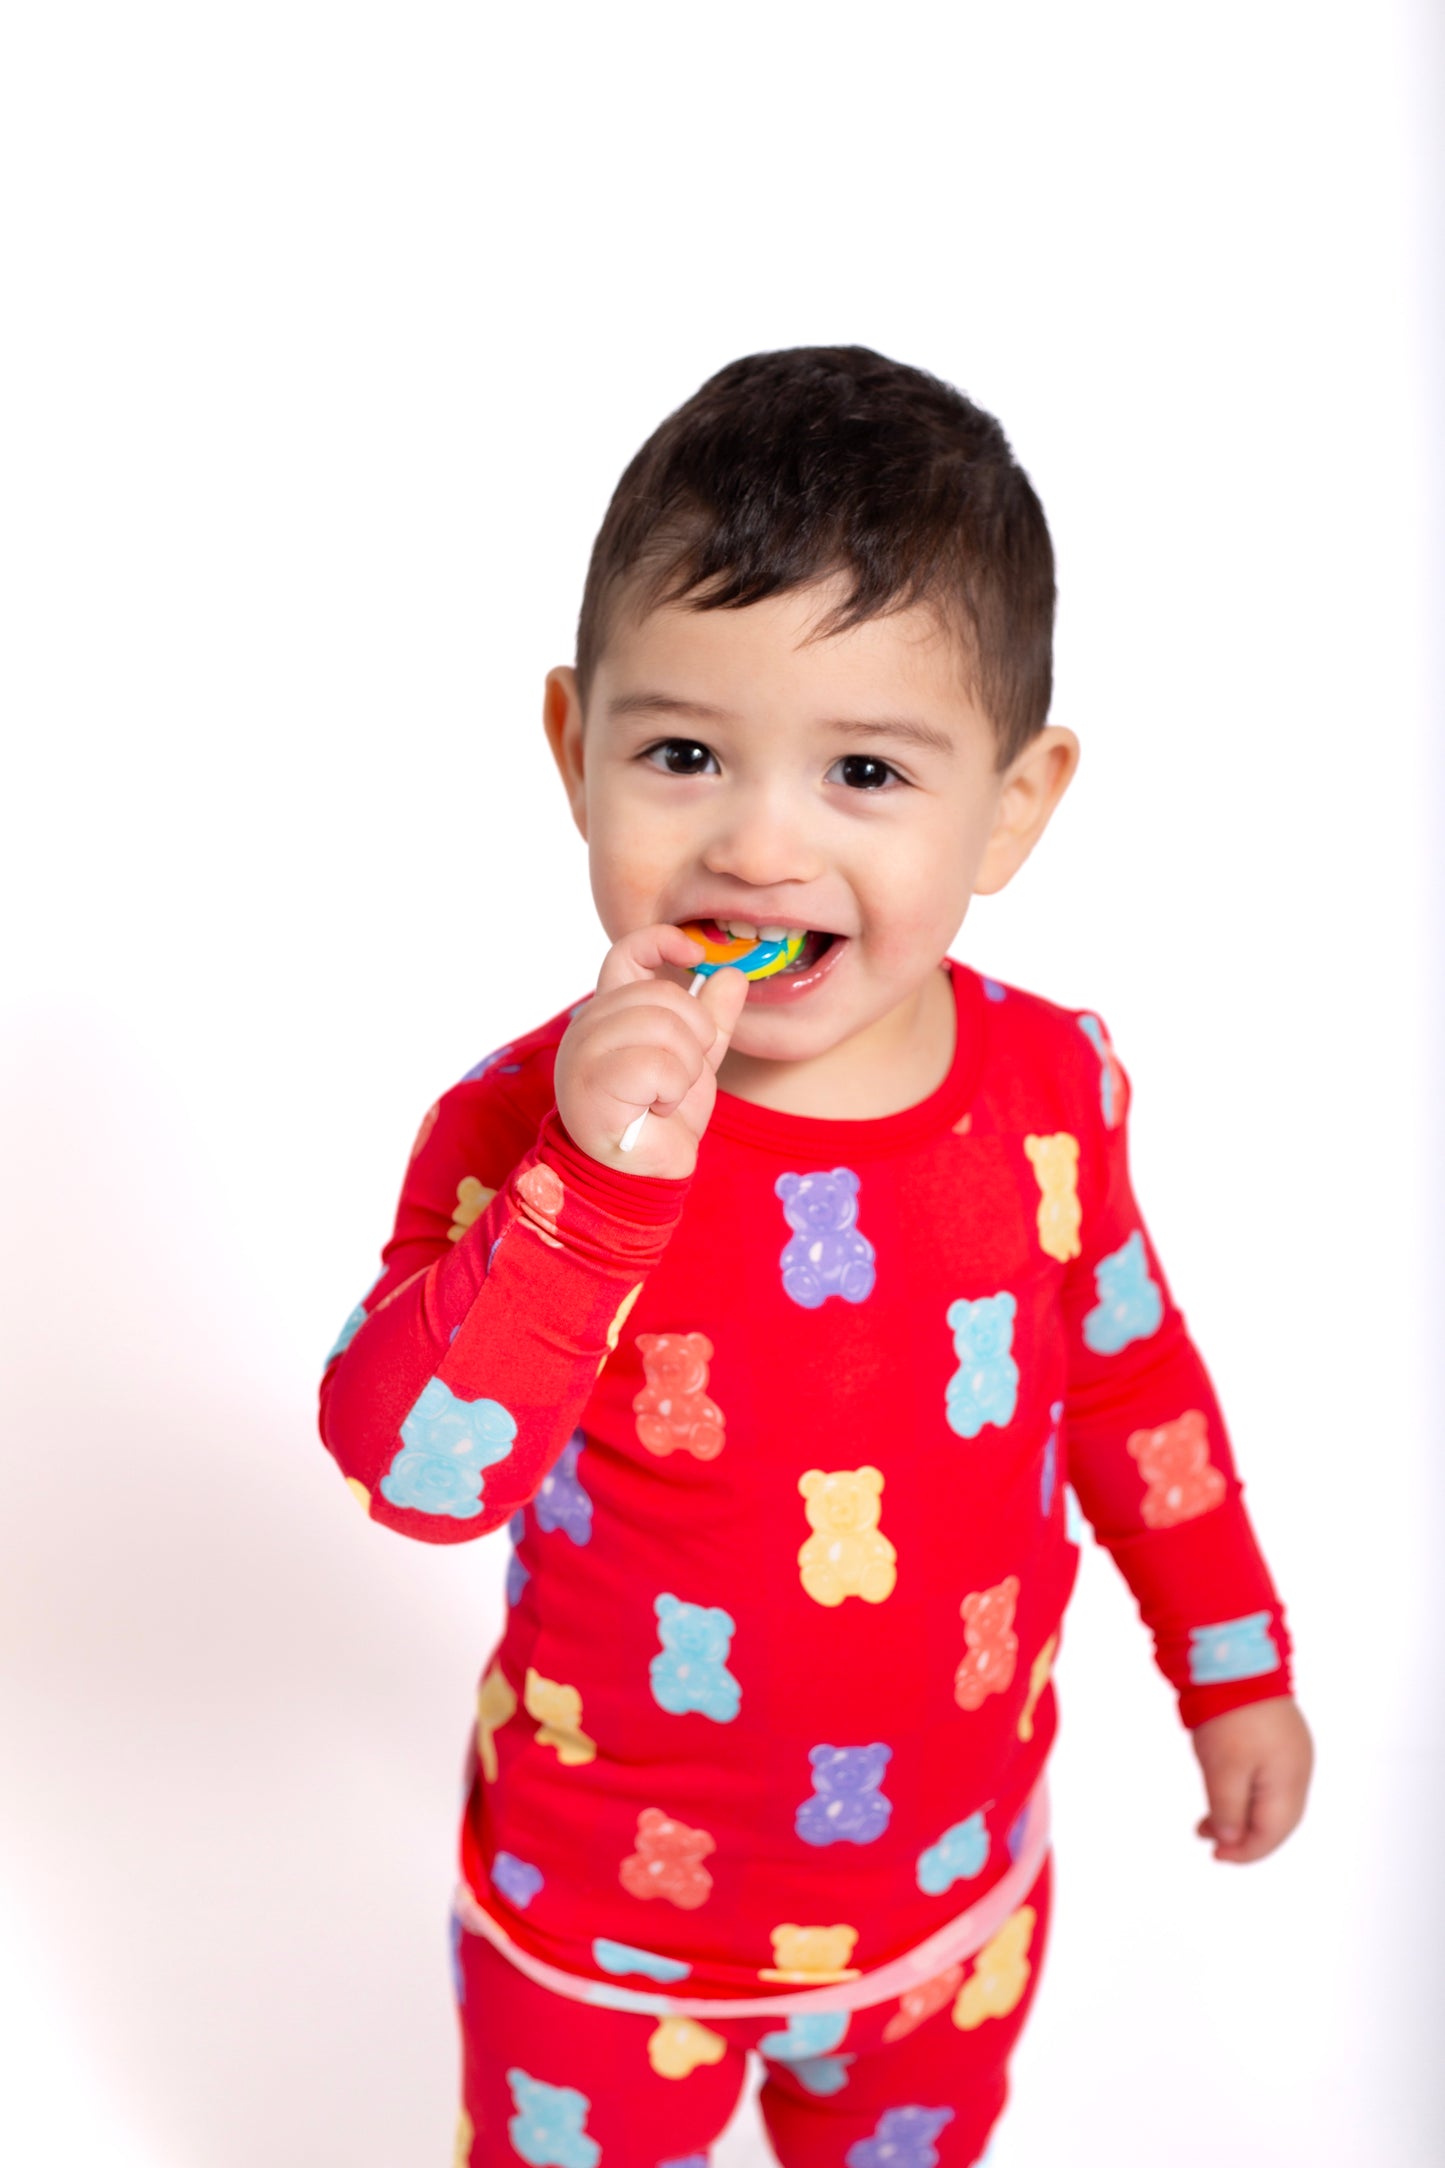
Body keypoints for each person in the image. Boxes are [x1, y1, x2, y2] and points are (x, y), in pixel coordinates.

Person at [318, 346, 1313, 2168]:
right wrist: (598, 1185)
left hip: (947, 1914)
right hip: (604, 1936)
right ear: (574, 748)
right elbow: (417, 1474)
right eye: (683, 753)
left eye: (864, 768)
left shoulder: (1050, 1088)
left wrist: (1233, 1666)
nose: (757, 844)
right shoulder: (517, 1126)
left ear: (1009, 806)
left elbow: (1133, 1387)